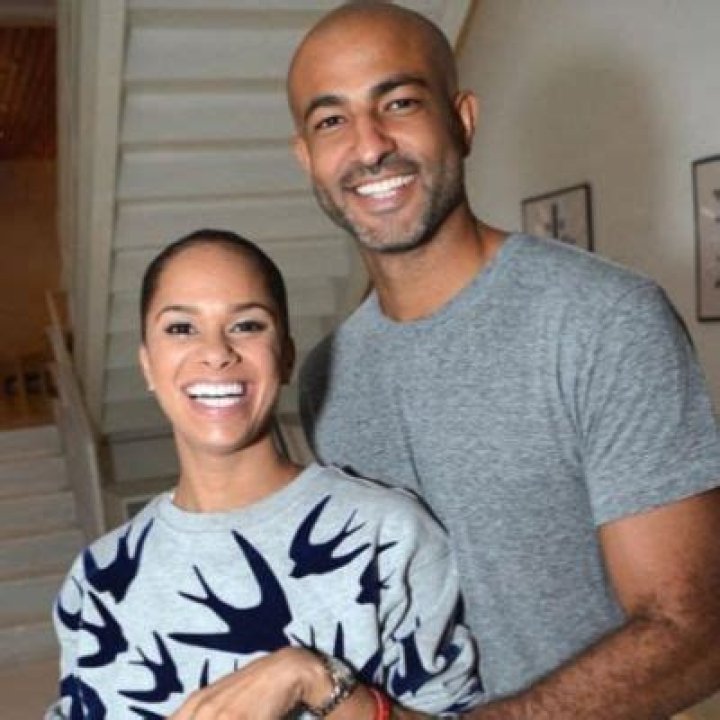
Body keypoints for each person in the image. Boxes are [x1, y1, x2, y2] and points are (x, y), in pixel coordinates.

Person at [289, 2, 720, 719]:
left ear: (462, 120)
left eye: (399, 103)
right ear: (306, 157)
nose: (369, 146)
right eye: (331, 120)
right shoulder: (324, 378)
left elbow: (696, 630)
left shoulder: (602, 321)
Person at [45, 229, 483, 719]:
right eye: (181, 328)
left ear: (286, 357)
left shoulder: (389, 534)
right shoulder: (98, 579)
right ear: (147, 364)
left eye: (247, 325)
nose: (216, 352)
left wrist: (312, 678)